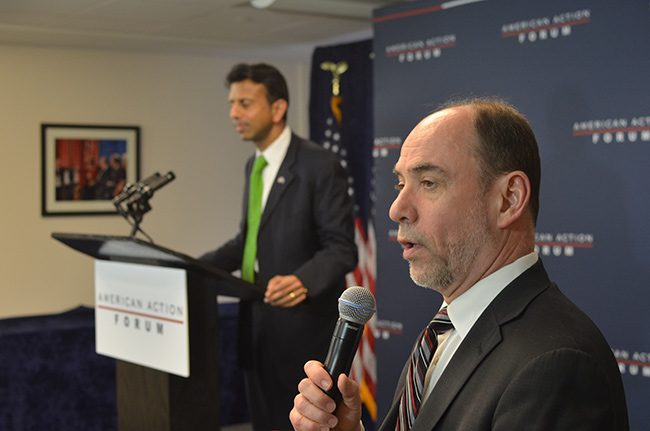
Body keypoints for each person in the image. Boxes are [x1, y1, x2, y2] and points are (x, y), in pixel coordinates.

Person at [290, 98, 629, 431]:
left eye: (428, 183)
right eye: (400, 183)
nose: (397, 209)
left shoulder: (558, 364)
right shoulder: (444, 330)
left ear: (508, 199)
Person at [199, 63, 357, 431]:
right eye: (232, 103)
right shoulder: (254, 166)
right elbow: (248, 242)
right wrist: (188, 266)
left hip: (301, 335)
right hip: (256, 327)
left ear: (277, 108)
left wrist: (302, 280)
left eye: (245, 103)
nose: (234, 113)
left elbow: (342, 248)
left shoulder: (320, 164)